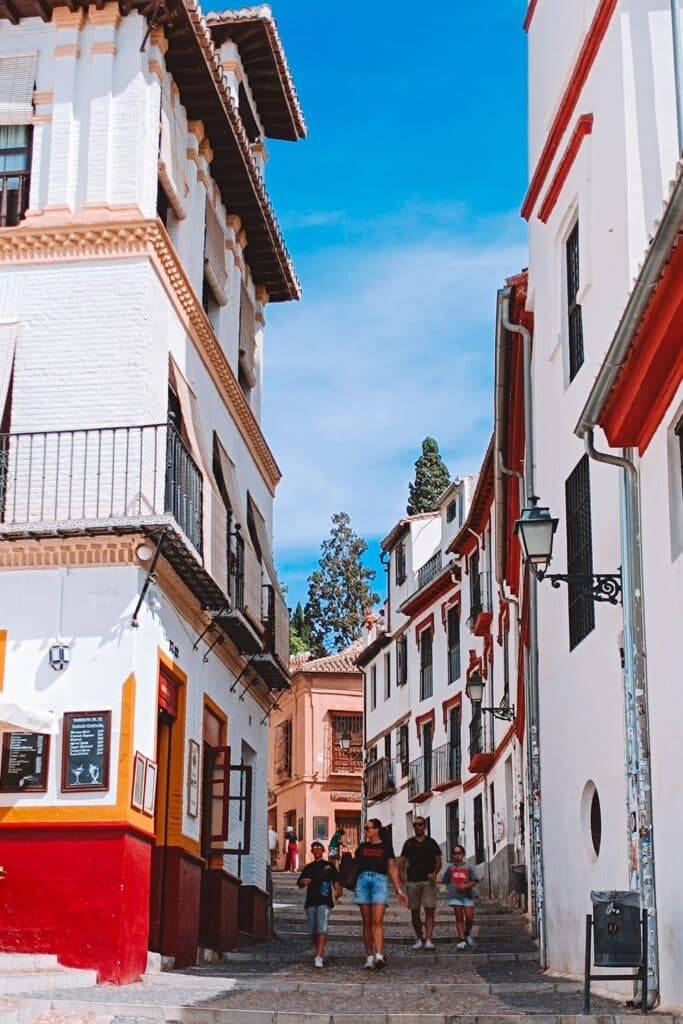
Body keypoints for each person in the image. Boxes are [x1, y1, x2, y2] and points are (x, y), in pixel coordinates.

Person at [354, 818, 407, 970]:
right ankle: (369, 956)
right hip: (363, 882)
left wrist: (398, 890)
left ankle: (378, 954)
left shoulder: (386, 847)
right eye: (364, 828)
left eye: (367, 828)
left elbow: (392, 867)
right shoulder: (362, 847)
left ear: (376, 829)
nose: (365, 831)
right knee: (366, 922)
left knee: (377, 921)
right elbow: (356, 865)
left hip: (379, 882)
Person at [399, 816, 442, 950]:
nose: (417, 827)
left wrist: (434, 873)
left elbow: (439, 861)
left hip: (428, 882)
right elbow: (401, 861)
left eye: (420, 824)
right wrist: (402, 875)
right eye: (415, 825)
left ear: (425, 826)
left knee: (430, 910)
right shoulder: (408, 843)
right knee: (414, 911)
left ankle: (428, 939)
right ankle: (419, 938)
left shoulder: (431, 843)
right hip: (412, 881)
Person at [297, 841, 343, 968]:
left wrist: (338, 891)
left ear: (323, 850)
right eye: (314, 848)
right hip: (311, 901)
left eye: (319, 847)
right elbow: (300, 883)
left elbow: (336, 880)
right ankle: (321, 949)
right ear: (312, 851)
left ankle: (318, 957)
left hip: (325, 901)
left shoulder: (329, 866)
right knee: (313, 931)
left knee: (321, 927)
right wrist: (303, 881)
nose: (316, 849)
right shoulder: (308, 867)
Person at [442, 843, 477, 949]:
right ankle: (462, 939)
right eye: (455, 853)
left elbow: (474, 881)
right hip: (455, 896)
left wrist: (465, 886)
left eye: (459, 853)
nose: (457, 855)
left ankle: (467, 934)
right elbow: (445, 880)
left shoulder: (469, 867)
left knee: (470, 918)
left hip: (467, 896)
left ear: (463, 854)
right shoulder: (450, 868)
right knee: (459, 918)